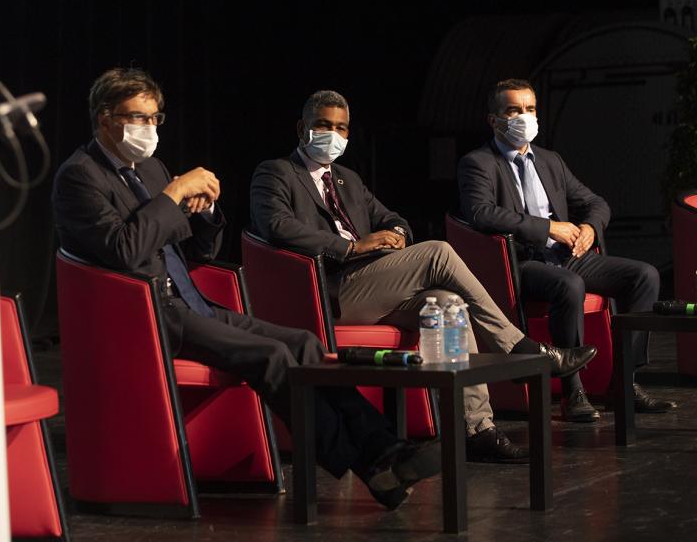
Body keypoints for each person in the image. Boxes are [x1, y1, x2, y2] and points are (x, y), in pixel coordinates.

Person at [53, 68, 441, 510]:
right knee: (272, 356)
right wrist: (175, 193)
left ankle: (385, 447)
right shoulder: (79, 177)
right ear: (105, 118)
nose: (149, 128)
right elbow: (124, 250)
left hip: (188, 301)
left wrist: (205, 211)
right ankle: (370, 464)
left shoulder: (151, 169)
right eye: (137, 118)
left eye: (154, 118)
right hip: (144, 313)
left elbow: (199, 251)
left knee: (304, 343)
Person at [250, 89, 597, 462]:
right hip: (328, 292)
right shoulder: (276, 172)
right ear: (302, 128)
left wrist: (397, 233)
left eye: (341, 128)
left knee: (449, 305)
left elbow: (392, 218)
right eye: (323, 125)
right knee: (438, 252)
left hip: (373, 285)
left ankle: (476, 428)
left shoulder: (347, 178)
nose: (333, 135)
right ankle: (518, 346)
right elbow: (276, 226)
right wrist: (352, 247)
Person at [457, 78, 677, 421]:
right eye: (513, 110)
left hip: (565, 257)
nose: (524, 117)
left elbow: (596, 203)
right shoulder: (478, 163)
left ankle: (624, 382)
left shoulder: (550, 160)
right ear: (493, 119)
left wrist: (589, 228)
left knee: (644, 276)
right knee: (569, 285)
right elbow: (481, 213)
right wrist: (548, 228)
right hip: (521, 262)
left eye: (530, 109)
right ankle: (573, 390)